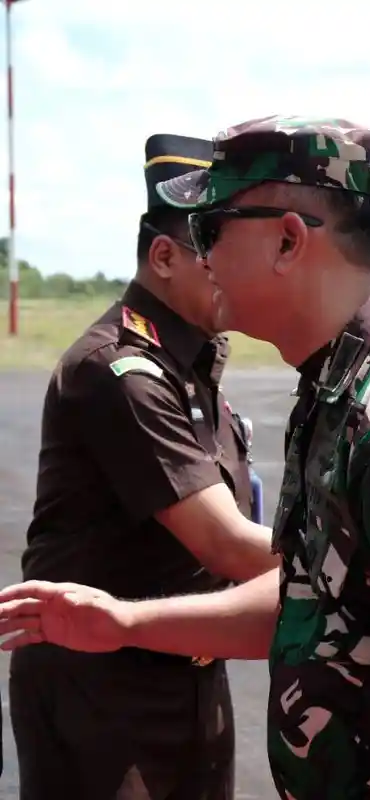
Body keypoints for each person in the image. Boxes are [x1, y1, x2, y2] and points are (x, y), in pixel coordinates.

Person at [0, 115, 370, 799]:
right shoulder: (341, 393)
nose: (204, 256)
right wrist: (125, 623)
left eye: (212, 229)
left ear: (287, 240)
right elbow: (315, 595)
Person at [9, 133, 277, 800]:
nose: (237, 271)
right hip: (105, 696)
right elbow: (227, 544)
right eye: (215, 250)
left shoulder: (191, 367)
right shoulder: (119, 372)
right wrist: (364, 561)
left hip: (186, 675)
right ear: (164, 257)